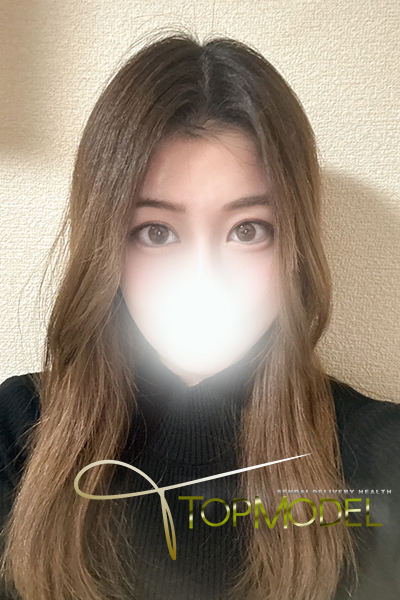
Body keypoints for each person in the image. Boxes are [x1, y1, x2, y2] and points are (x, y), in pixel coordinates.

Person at [1, 31, 400, 600]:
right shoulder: (16, 435)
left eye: (249, 230)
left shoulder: (381, 458)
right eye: (156, 232)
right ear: (104, 248)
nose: (204, 278)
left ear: (296, 248)